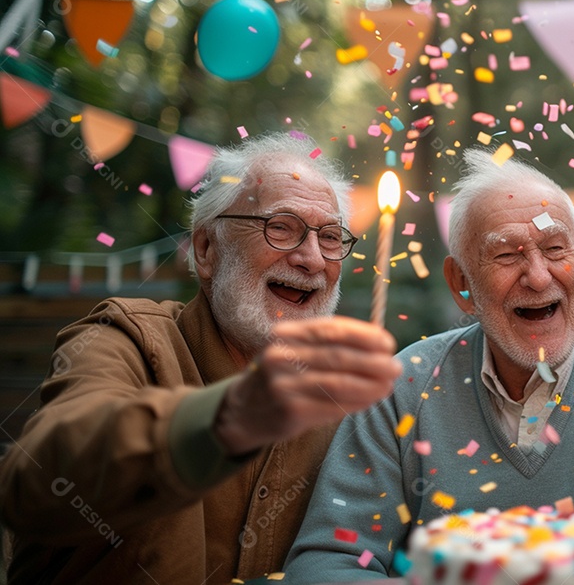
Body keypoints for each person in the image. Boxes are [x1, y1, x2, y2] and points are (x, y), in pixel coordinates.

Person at [283, 149, 574, 583]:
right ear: (460, 282)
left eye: (556, 250)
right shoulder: (401, 389)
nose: (539, 276)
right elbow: (328, 561)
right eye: (507, 254)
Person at [0, 133, 402, 584]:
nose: (311, 259)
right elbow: (31, 487)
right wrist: (229, 418)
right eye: (281, 227)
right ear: (207, 250)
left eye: (330, 237)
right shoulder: (125, 336)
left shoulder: (355, 403)